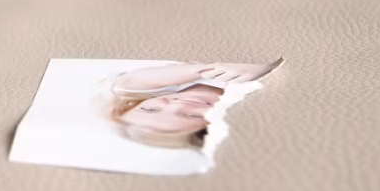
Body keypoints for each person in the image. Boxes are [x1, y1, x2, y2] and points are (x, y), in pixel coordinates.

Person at [106, 58, 284, 149]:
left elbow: (132, 81)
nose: (175, 104)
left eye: (150, 109)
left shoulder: (143, 86)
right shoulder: (243, 97)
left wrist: (205, 70)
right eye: (191, 115)